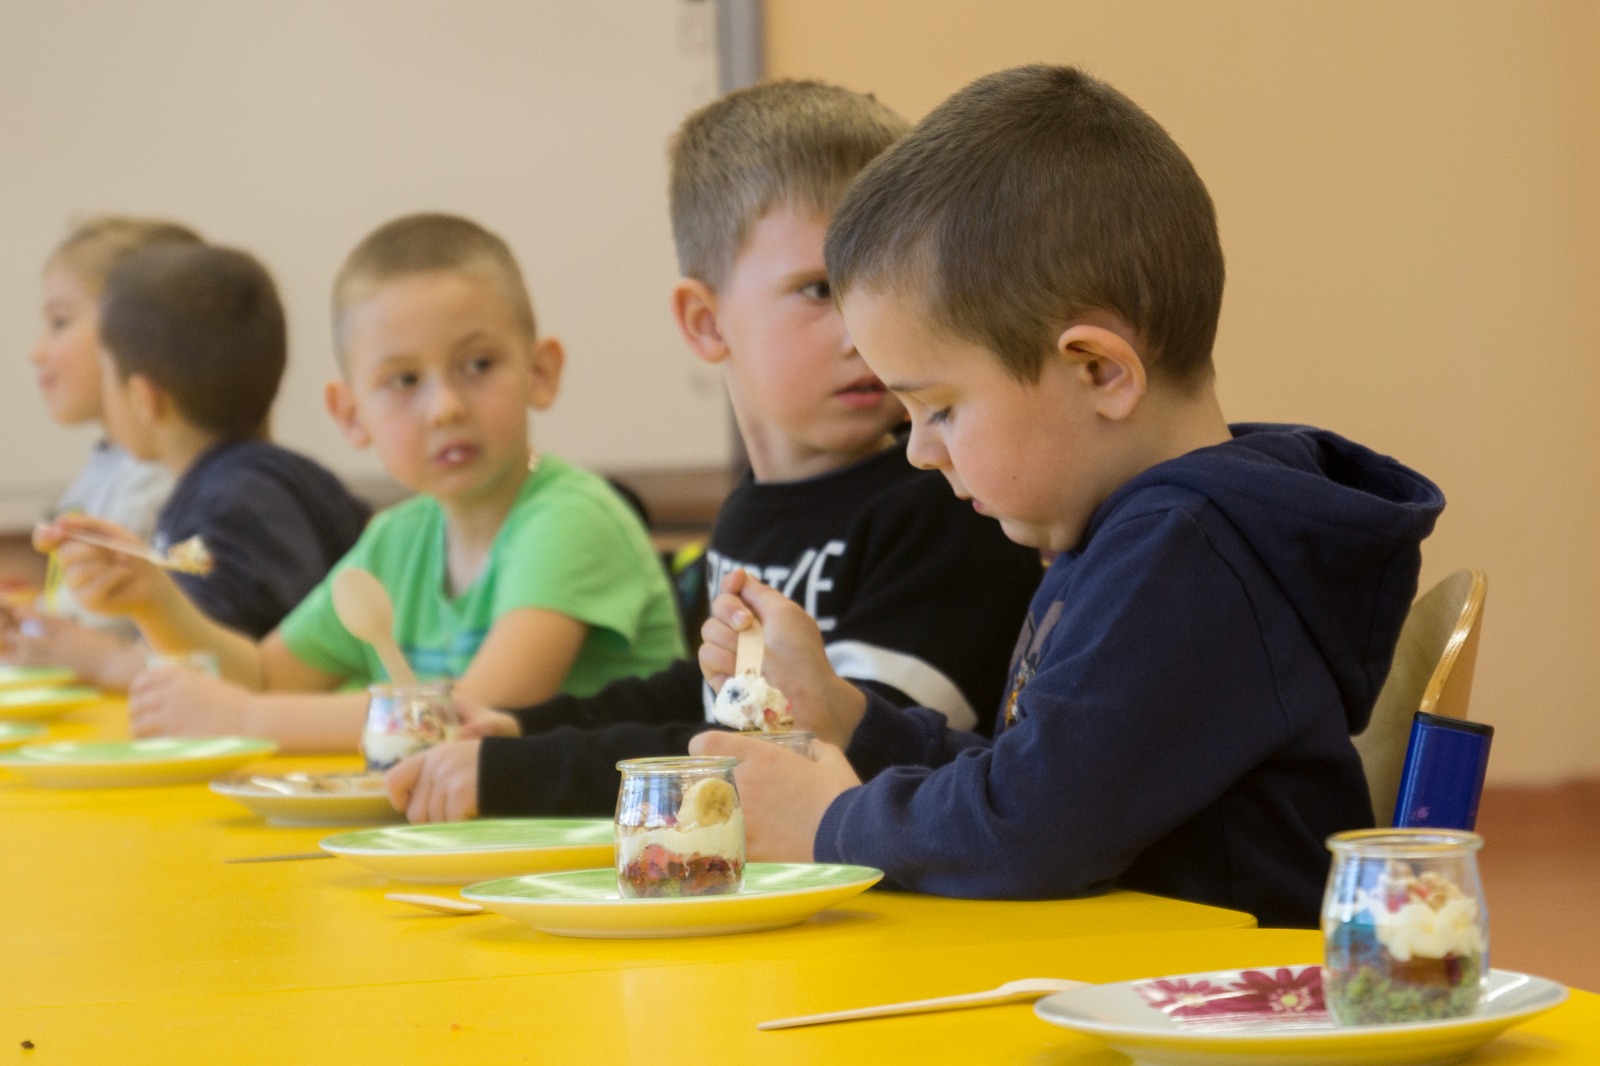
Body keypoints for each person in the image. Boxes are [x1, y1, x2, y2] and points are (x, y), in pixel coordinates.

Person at [692, 65, 1446, 929]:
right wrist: (851, 717)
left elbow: (1026, 829)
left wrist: (831, 824)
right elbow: (1032, 781)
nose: (920, 452)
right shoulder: (1140, 535)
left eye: (940, 409)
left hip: (1215, 994)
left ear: (1098, 372)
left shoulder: (1191, 553)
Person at [385, 81, 1045, 824]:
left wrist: (523, 771)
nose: (862, 330)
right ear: (705, 322)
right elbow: (698, 697)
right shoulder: (749, 514)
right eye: (819, 290)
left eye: (891, 286)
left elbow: (810, 748)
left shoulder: (948, 503)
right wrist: (521, 728)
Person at [44, 215, 684, 752]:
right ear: (351, 415)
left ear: (541, 373)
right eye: (404, 381)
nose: (445, 408)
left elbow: (469, 717)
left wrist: (244, 719)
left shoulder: (572, 520)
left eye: (478, 364)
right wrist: (153, 599)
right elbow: (266, 675)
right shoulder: (395, 540)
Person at [35, 242, 369, 664]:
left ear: (144, 399)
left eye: (106, 376)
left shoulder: (235, 501)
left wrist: (97, 658)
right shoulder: (261, 481)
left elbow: (212, 664)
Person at [1, 218, 199, 687]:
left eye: (60, 322)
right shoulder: (108, 465)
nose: (37, 351)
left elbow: (100, 624)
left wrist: (32, 626)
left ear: (133, 335)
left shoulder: (156, 475)